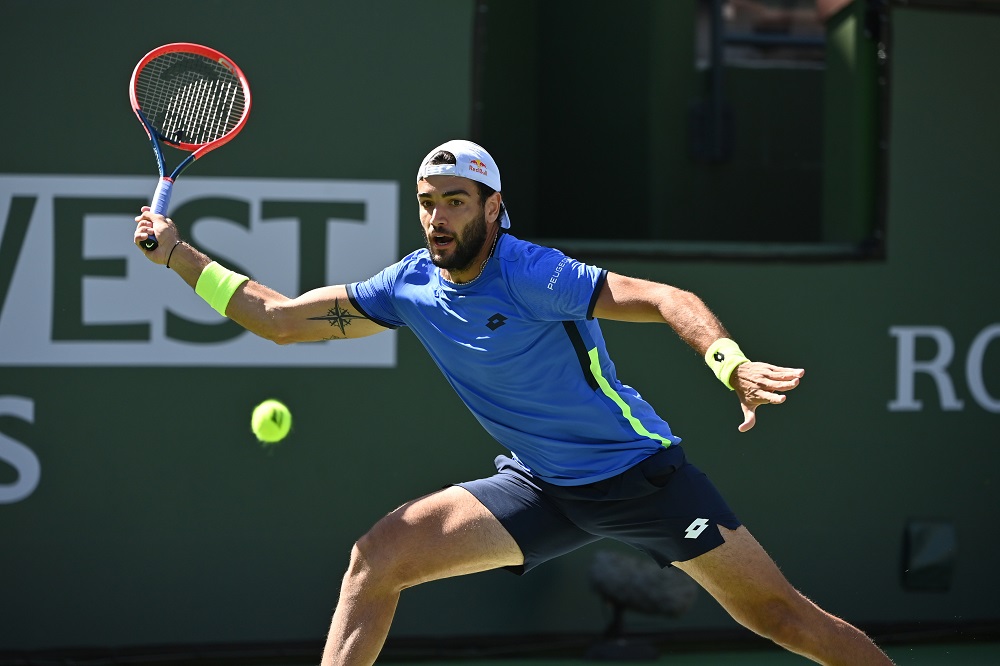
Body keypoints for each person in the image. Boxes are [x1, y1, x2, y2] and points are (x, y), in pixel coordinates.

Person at [133, 140, 894, 666]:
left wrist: (729, 363)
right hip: (539, 487)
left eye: (456, 202)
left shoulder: (534, 273)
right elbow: (279, 320)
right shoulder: (408, 287)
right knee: (378, 558)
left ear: (494, 208)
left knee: (779, 617)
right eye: (428, 203)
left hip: (637, 476)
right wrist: (177, 256)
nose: (438, 218)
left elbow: (667, 297)